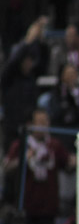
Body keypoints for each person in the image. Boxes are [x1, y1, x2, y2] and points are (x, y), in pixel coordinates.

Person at [2, 108, 75, 224]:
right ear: (30, 124)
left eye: (45, 122)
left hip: (47, 207)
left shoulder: (54, 145)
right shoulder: (20, 144)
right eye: (39, 122)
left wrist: (77, 159)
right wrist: (24, 159)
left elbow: (68, 165)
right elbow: (7, 168)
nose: (43, 126)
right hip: (24, 206)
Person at [1, 16, 48, 154]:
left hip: (29, 131)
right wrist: (28, 41)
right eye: (25, 61)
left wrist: (39, 41)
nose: (29, 64)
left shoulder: (32, 77)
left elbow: (43, 62)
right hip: (12, 129)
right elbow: (13, 62)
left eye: (30, 61)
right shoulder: (9, 78)